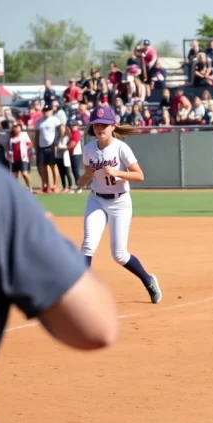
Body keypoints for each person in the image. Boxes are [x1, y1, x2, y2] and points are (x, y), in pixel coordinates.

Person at [0, 34, 119, 423]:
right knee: (107, 252)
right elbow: (97, 327)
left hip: (117, 202)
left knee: (120, 251)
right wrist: (42, 241)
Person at [77, 107, 163, 304]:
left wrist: (118, 173)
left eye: (104, 125)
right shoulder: (89, 149)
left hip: (120, 202)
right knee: (88, 244)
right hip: (96, 200)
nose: (100, 128)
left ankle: (148, 280)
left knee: (119, 254)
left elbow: (139, 175)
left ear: (112, 126)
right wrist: (87, 176)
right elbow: (80, 184)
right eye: (97, 124)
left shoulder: (121, 148)